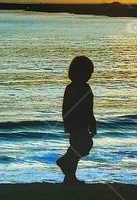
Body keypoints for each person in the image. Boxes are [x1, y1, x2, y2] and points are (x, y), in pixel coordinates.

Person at [55, 55, 97, 184]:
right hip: (77, 123)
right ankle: (65, 163)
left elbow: (89, 108)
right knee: (82, 146)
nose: (89, 76)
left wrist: (92, 122)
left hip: (80, 123)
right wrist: (69, 123)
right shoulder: (76, 88)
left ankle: (69, 176)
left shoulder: (82, 87)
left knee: (78, 147)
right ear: (80, 72)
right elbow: (68, 107)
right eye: (88, 73)